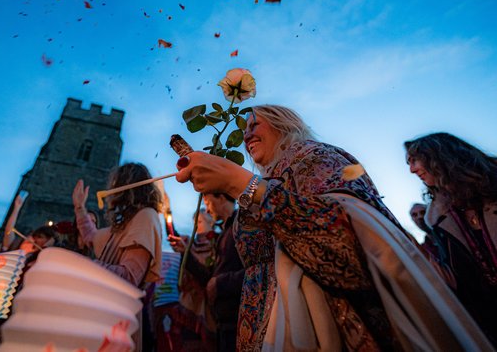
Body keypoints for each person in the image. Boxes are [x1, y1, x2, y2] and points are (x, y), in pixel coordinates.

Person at [176, 105, 492, 351]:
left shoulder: (314, 156)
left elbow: (349, 248)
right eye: (244, 129)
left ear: (284, 123)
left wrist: (240, 183)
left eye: (255, 123)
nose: (247, 133)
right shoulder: (273, 175)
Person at [405, 132, 497, 345]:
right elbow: (455, 280)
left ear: (440, 156)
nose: (411, 169)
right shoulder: (439, 220)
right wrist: (409, 247)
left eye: (415, 160)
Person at [73, 163, 163, 351]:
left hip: (118, 321)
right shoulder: (124, 224)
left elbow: (129, 277)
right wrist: (80, 208)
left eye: (114, 183)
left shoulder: (146, 216)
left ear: (126, 185)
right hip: (103, 315)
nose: (110, 190)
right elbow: (92, 236)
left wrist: (84, 266)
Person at [169, 193, 244, 352]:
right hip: (220, 318)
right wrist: (185, 253)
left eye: (208, 202)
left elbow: (256, 273)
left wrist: (220, 283)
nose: (208, 209)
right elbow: (208, 277)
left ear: (222, 198)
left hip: (233, 317)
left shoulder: (241, 227)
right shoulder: (225, 233)